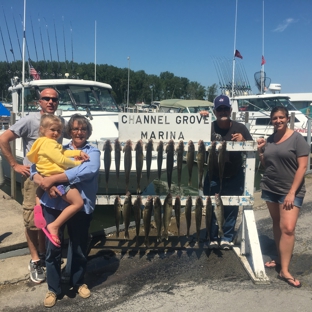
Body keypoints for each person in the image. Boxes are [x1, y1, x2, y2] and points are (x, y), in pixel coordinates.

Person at [32, 114, 100, 308]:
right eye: (75, 129)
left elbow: (88, 170)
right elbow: (34, 169)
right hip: (53, 205)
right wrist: (43, 182)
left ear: (88, 132)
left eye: (83, 129)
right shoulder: (57, 147)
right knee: (53, 249)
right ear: (69, 132)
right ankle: (53, 288)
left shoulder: (93, 151)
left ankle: (78, 281)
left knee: (78, 247)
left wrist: (54, 179)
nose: (79, 132)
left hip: (81, 205)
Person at [0, 88, 64, 283]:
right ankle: (35, 260)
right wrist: (15, 165)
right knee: (32, 220)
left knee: (48, 217)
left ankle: (45, 254)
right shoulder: (30, 120)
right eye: (46, 98)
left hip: (53, 179)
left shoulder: (60, 122)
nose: (50, 102)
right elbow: (3, 139)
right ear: (39, 101)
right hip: (33, 178)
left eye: (54, 99)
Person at [257, 106, 309, 288]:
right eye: (274, 118)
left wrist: (292, 192)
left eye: (281, 117)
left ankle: (284, 270)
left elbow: (302, 167)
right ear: (271, 120)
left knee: (288, 228)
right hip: (270, 187)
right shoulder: (270, 140)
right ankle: (279, 259)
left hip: (290, 191)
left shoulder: (297, 139)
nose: (278, 121)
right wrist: (261, 152)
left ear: (287, 119)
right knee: (277, 223)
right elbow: (267, 165)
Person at [27, 114, 89, 246]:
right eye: (53, 130)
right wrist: (78, 164)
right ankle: (54, 226)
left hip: (46, 174)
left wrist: (78, 153)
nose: (56, 133)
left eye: (59, 131)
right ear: (43, 129)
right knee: (77, 203)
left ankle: (38, 204)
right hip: (57, 177)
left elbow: (62, 152)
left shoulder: (42, 142)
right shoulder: (50, 144)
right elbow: (61, 159)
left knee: (45, 190)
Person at [200, 95, 252, 250]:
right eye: (219, 109)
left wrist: (244, 141)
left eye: (225, 108)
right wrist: (199, 120)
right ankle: (212, 236)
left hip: (234, 175)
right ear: (215, 111)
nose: (223, 111)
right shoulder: (208, 127)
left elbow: (252, 148)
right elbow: (192, 134)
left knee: (231, 208)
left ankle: (226, 237)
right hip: (214, 175)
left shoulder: (240, 128)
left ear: (230, 110)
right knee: (211, 207)